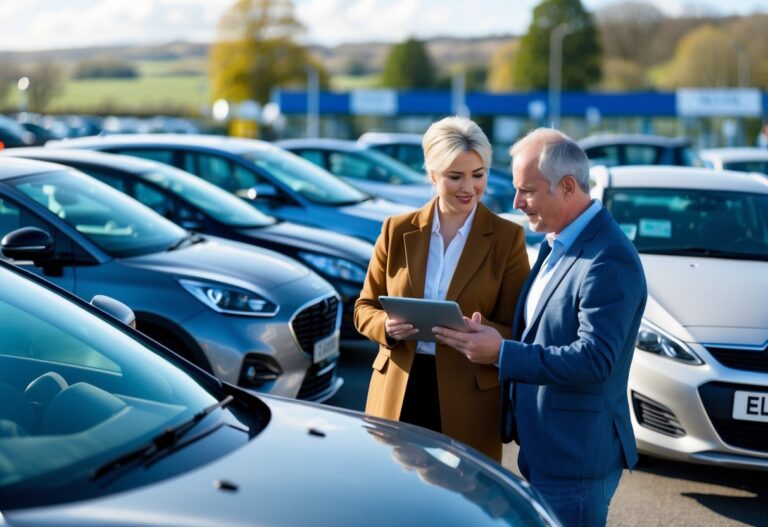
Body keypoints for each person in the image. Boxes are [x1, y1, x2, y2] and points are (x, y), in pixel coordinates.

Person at [433, 128, 647, 527]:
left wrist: (501, 353)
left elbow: (595, 359)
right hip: (545, 448)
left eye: (527, 191)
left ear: (567, 187)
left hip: (576, 458)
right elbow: (541, 330)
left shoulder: (609, 258)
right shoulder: (556, 241)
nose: (516, 203)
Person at [354, 116, 530, 462]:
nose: (469, 187)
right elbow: (364, 308)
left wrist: (484, 334)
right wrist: (386, 329)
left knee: (461, 505)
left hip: (468, 396)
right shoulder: (396, 229)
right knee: (395, 504)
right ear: (433, 175)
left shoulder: (507, 239)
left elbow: (519, 328)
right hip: (398, 389)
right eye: (455, 176)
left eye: (478, 174)